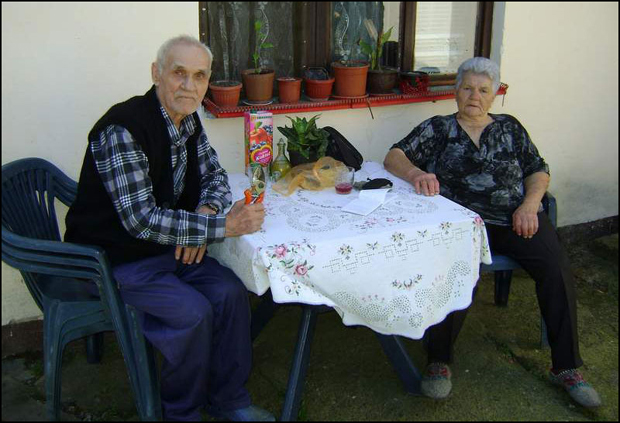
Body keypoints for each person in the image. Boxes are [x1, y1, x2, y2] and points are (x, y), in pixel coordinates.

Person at [65, 35, 275, 421]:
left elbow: (215, 175)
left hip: (166, 250)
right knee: (191, 314)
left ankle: (229, 400)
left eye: (200, 76)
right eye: (179, 73)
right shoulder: (123, 129)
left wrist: (206, 213)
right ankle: (181, 413)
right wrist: (219, 227)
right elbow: (141, 219)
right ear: (156, 74)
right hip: (114, 260)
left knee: (230, 294)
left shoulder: (188, 119)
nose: (189, 86)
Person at [383, 57, 602, 408]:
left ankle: (567, 367)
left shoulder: (510, 128)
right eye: (468, 88)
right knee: (453, 271)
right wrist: (416, 174)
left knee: (556, 267)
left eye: (483, 90)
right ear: (456, 91)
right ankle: (438, 361)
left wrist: (530, 205)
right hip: (462, 223)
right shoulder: (438, 128)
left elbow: (538, 169)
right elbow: (394, 156)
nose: (475, 96)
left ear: (495, 95)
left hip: (515, 218)